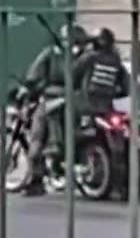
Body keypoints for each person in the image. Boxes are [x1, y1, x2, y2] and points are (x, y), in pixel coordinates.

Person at [19, 23, 92, 196]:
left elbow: (34, 75)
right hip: (84, 103)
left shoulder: (52, 54)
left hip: (56, 100)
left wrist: (27, 89)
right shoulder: (89, 57)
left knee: (37, 137)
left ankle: (36, 180)